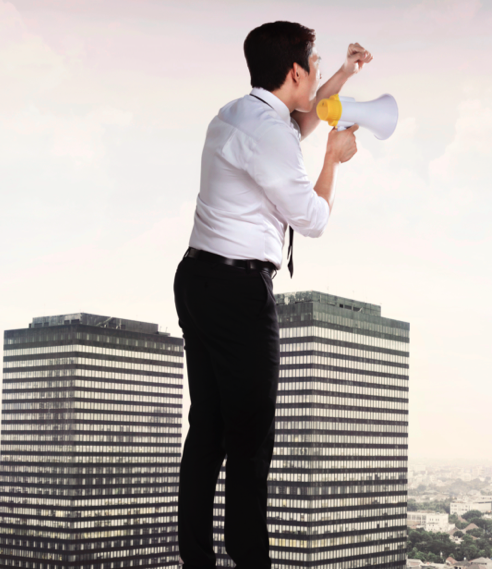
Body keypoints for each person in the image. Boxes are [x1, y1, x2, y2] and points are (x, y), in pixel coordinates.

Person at [172, 20, 373, 569]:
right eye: (313, 63)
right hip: (238, 291)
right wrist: (335, 158)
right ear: (293, 71)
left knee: (208, 428)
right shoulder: (270, 132)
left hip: (197, 279)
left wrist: (340, 75)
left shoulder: (237, 114)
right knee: (252, 441)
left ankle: (198, 559)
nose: (315, 72)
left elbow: (301, 117)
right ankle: (250, 560)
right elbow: (311, 219)